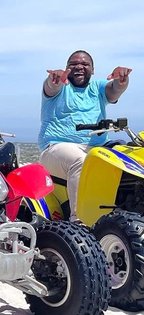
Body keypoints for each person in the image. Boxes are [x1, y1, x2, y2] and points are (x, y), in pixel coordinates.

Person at [38, 50, 132, 222]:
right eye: (73, 64)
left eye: (84, 64)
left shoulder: (98, 88)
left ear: (93, 70)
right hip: (56, 148)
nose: (79, 67)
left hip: (97, 148)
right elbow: (51, 87)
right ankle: (80, 222)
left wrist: (121, 81)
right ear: (67, 69)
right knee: (82, 162)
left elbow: (114, 90)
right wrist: (55, 80)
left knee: (133, 159)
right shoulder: (60, 88)